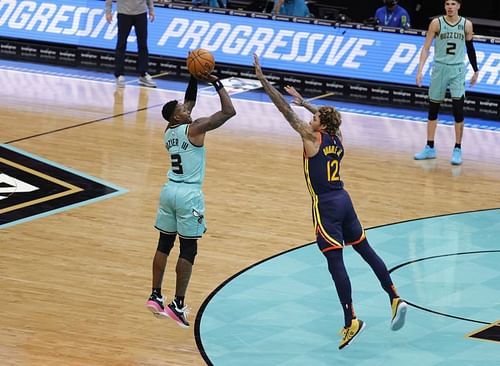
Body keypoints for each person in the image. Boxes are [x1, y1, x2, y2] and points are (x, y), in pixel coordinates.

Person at [253, 53, 407, 350]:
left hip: (325, 205)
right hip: (345, 200)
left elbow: (284, 111)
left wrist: (263, 81)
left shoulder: (312, 139)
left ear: (320, 126)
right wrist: (308, 103)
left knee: (335, 261)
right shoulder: (337, 138)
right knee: (365, 249)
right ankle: (394, 296)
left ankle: (351, 319)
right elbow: (331, 119)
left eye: (313, 119)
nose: (309, 121)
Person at [145, 66, 236, 328]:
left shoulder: (169, 132)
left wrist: (193, 77)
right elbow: (229, 112)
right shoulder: (194, 129)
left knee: (164, 244)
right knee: (189, 248)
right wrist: (217, 83)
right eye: (183, 111)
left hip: (168, 191)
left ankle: (155, 295)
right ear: (177, 117)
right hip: (188, 195)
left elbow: (189, 101)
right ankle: (178, 304)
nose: (188, 110)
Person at [415, 0, 479, 165]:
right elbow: (426, 47)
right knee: (433, 108)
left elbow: (470, 48)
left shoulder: (466, 25)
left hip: (457, 69)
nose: (450, 6)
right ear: (444, 6)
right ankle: (430, 147)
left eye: (453, 3)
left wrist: (476, 70)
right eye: (447, 3)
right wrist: (420, 69)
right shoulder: (436, 23)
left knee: (458, 109)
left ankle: (457, 148)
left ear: (459, 6)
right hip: (439, 68)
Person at [105, 0, 156, 88]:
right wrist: (108, 11)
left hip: (141, 13)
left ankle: (143, 74)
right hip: (124, 13)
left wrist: (151, 9)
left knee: (143, 44)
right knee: (121, 44)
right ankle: (119, 75)